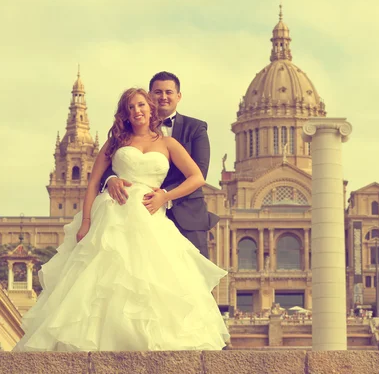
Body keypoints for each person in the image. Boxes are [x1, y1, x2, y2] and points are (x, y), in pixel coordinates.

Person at [14, 88, 230, 352]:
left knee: (150, 279)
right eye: (130, 107)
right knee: (101, 279)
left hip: (150, 216)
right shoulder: (116, 141)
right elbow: (94, 181)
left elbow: (196, 177)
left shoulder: (168, 144)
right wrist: (86, 222)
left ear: (150, 108)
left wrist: (165, 196)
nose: (136, 111)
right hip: (112, 213)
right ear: (125, 113)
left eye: (141, 105)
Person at [101, 71, 217, 258]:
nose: (163, 97)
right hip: (136, 213)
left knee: (196, 280)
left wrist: (164, 196)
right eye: (158, 92)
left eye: (169, 92)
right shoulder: (130, 130)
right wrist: (111, 178)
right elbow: (110, 161)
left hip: (186, 215)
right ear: (149, 97)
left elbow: (199, 173)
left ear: (178, 96)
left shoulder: (196, 128)